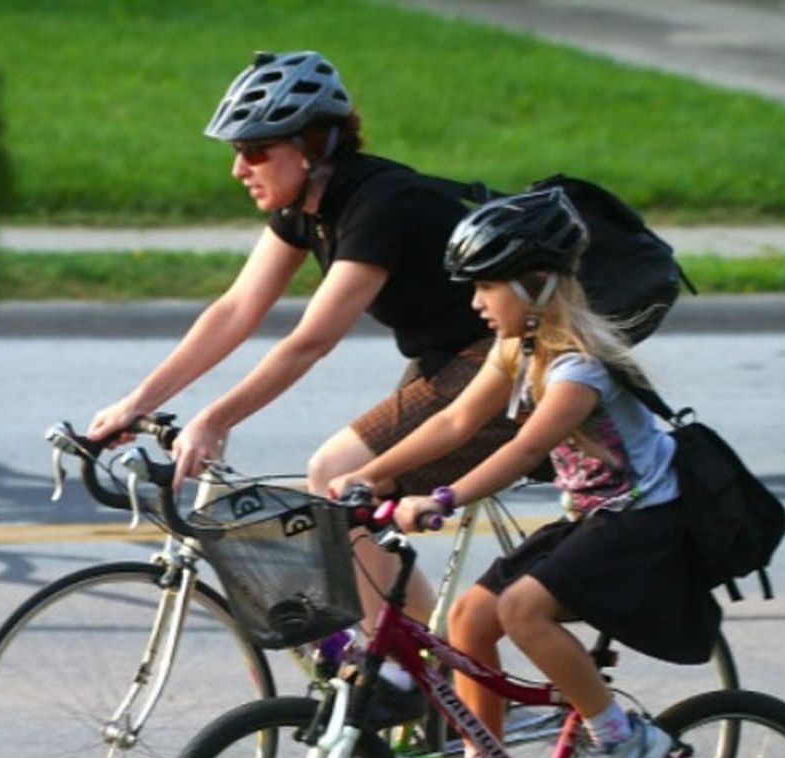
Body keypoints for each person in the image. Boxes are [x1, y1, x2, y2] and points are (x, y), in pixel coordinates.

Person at [87, 51, 519, 714]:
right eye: (238, 150)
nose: (239, 168)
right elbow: (236, 309)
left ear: (313, 144)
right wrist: (138, 403)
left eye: (256, 151)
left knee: (337, 474)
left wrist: (216, 418)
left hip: (500, 359)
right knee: (358, 520)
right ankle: (435, 681)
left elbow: (311, 340)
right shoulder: (307, 207)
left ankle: (409, 678)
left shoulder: (380, 204)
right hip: (445, 359)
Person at [330, 187, 721, 758]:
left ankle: (622, 740)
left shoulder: (578, 369)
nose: (476, 303)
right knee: (469, 619)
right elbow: (456, 420)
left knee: (522, 610)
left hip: (647, 524)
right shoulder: (519, 350)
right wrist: (370, 475)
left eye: (487, 287)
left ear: (537, 284)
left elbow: (522, 450)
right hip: (595, 519)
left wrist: (443, 498)